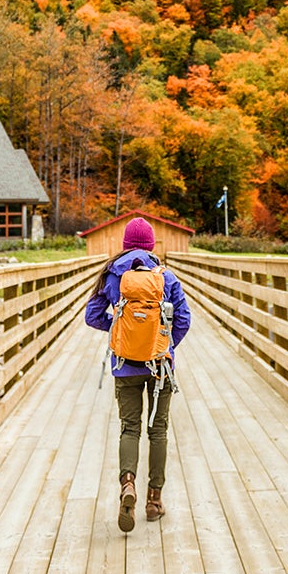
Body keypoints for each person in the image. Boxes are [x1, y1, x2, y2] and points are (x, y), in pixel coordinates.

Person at [84, 216, 191, 533]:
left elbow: (92, 315)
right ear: (151, 245)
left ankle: (127, 485)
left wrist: (118, 332)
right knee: (157, 431)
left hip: (124, 363)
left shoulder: (112, 274)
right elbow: (183, 319)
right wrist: (164, 345)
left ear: (125, 245)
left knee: (129, 428)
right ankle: (154, 500)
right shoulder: (166, 277)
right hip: (160, 365)